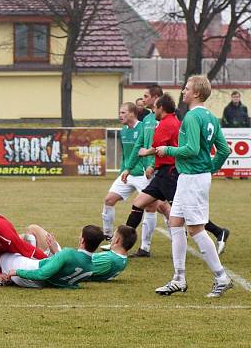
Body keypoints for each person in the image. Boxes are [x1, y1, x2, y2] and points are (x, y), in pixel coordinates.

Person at [154, 75, 233, 298]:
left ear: (196, 93)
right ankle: (178, 278)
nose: (183, 91)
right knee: (175, 222)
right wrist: (210, 168)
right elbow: (224, 150)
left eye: (186, 88)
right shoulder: (210, 117)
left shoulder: (191, 117)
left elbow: (190, 149)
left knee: (196, 229)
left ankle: (221, 277)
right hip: (191, 178)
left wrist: (167, 150)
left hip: (192, 178)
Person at [100, 102, 154, 250]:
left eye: (123, 112)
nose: (120, 115)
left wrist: (150, 167)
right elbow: (125, 154)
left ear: (132, 113)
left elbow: (148, 149)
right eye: (120, 112)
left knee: (152, 207)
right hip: (127, 173)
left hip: (143, 174)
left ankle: (145, 247)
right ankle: (109, 237)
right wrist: (123, 170)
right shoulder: (124, 131)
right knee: (109, 200)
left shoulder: (143, 128)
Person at [120, 86, 162, 256]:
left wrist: (153, 164)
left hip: (164, 169)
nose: (143, 100)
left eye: (146, 96)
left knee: (165, 208)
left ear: (155, 97)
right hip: (152, 169)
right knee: (154, 206)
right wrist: (128, 168)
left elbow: (162, 145)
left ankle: (215, 230)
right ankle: (144, 247)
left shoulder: (166, 119)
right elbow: (142, 145)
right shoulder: (148, 119)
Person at [0, 225, 103, 289]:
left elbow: (41, 274)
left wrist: (17, 272)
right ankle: (30, 245)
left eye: (80, 235)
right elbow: (67, 273)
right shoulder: (91, 268)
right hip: (47, 275)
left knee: (0, 256)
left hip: (31, 274)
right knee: (33, 230)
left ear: (82, 240)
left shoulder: (68, 253)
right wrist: (56, 253)